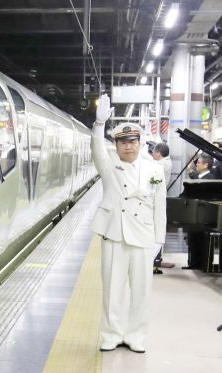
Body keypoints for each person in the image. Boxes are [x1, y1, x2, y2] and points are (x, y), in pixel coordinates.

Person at [91, 94, 166, 353]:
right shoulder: (109, 165)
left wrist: (160, 240)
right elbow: (97, 150)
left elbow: (160, 208)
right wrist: (99, 125)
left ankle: (136, 336)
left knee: (142, 291)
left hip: (144, 236)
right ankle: (111, 334)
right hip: (115, 233)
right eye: (121, 142)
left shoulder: (155, 171)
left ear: (140, 142)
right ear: (116, 145)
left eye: (132, 141)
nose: (127, 147)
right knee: (112, 289)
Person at [151, 142, 174, 272]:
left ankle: (155, 262)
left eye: (153, 151)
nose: (152, 154)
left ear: (159, 153)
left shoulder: (161, 164)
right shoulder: (166, 161)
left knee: (156, 230)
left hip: (157, 199)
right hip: (159, 197)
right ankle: (156, 261)